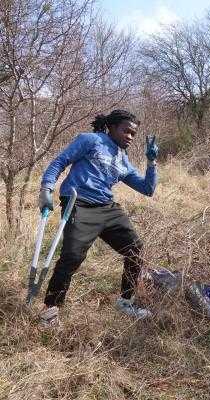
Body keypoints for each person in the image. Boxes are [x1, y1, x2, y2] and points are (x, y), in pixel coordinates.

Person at [37, 109, 159, 325]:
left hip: (107, 208)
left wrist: (151, 163)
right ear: (111, 127)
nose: (130, 137)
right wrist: (46, 188)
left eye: (133, 134)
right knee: (72, 256)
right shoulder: (91, 140)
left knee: (135, 250)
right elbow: (60, 161)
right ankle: (50, 310)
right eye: (126, 131)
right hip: (79, 203)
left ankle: (125, 301)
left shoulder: (123, 159)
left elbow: (148, 189)